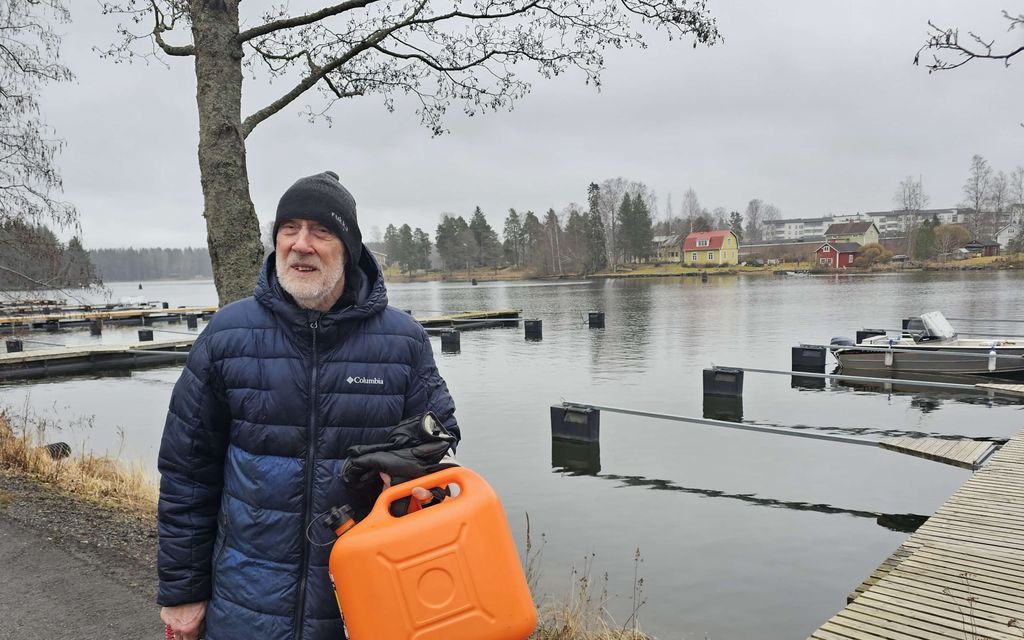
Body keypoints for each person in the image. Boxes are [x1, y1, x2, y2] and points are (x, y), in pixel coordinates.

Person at [157, 171, 459, 640]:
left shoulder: (403, 342)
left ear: (349, 248)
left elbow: (441, 439)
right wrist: (182, 593)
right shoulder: (226, 336)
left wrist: (415, 466)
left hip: (361, 605)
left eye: (321, 231)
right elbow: (186, 475)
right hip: (244, 608)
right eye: (289, 229)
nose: (301, 244)